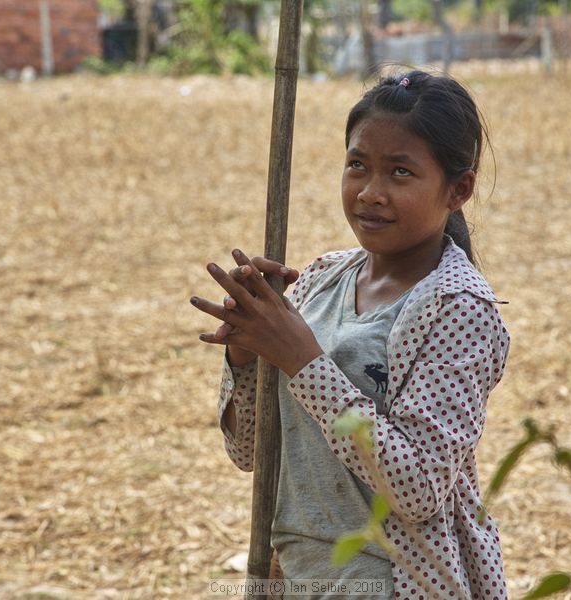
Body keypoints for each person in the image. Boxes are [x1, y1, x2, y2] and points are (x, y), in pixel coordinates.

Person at [190, 70, 511, 599]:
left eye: (401, 172)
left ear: (459, 189)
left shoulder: (458, 309)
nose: (371, 193)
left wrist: (302, 359)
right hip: (294, 575)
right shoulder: (321, 281)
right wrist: (248, 353)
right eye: (357, 165)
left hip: (394, 583)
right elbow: (249, 451)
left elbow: (418, 488)